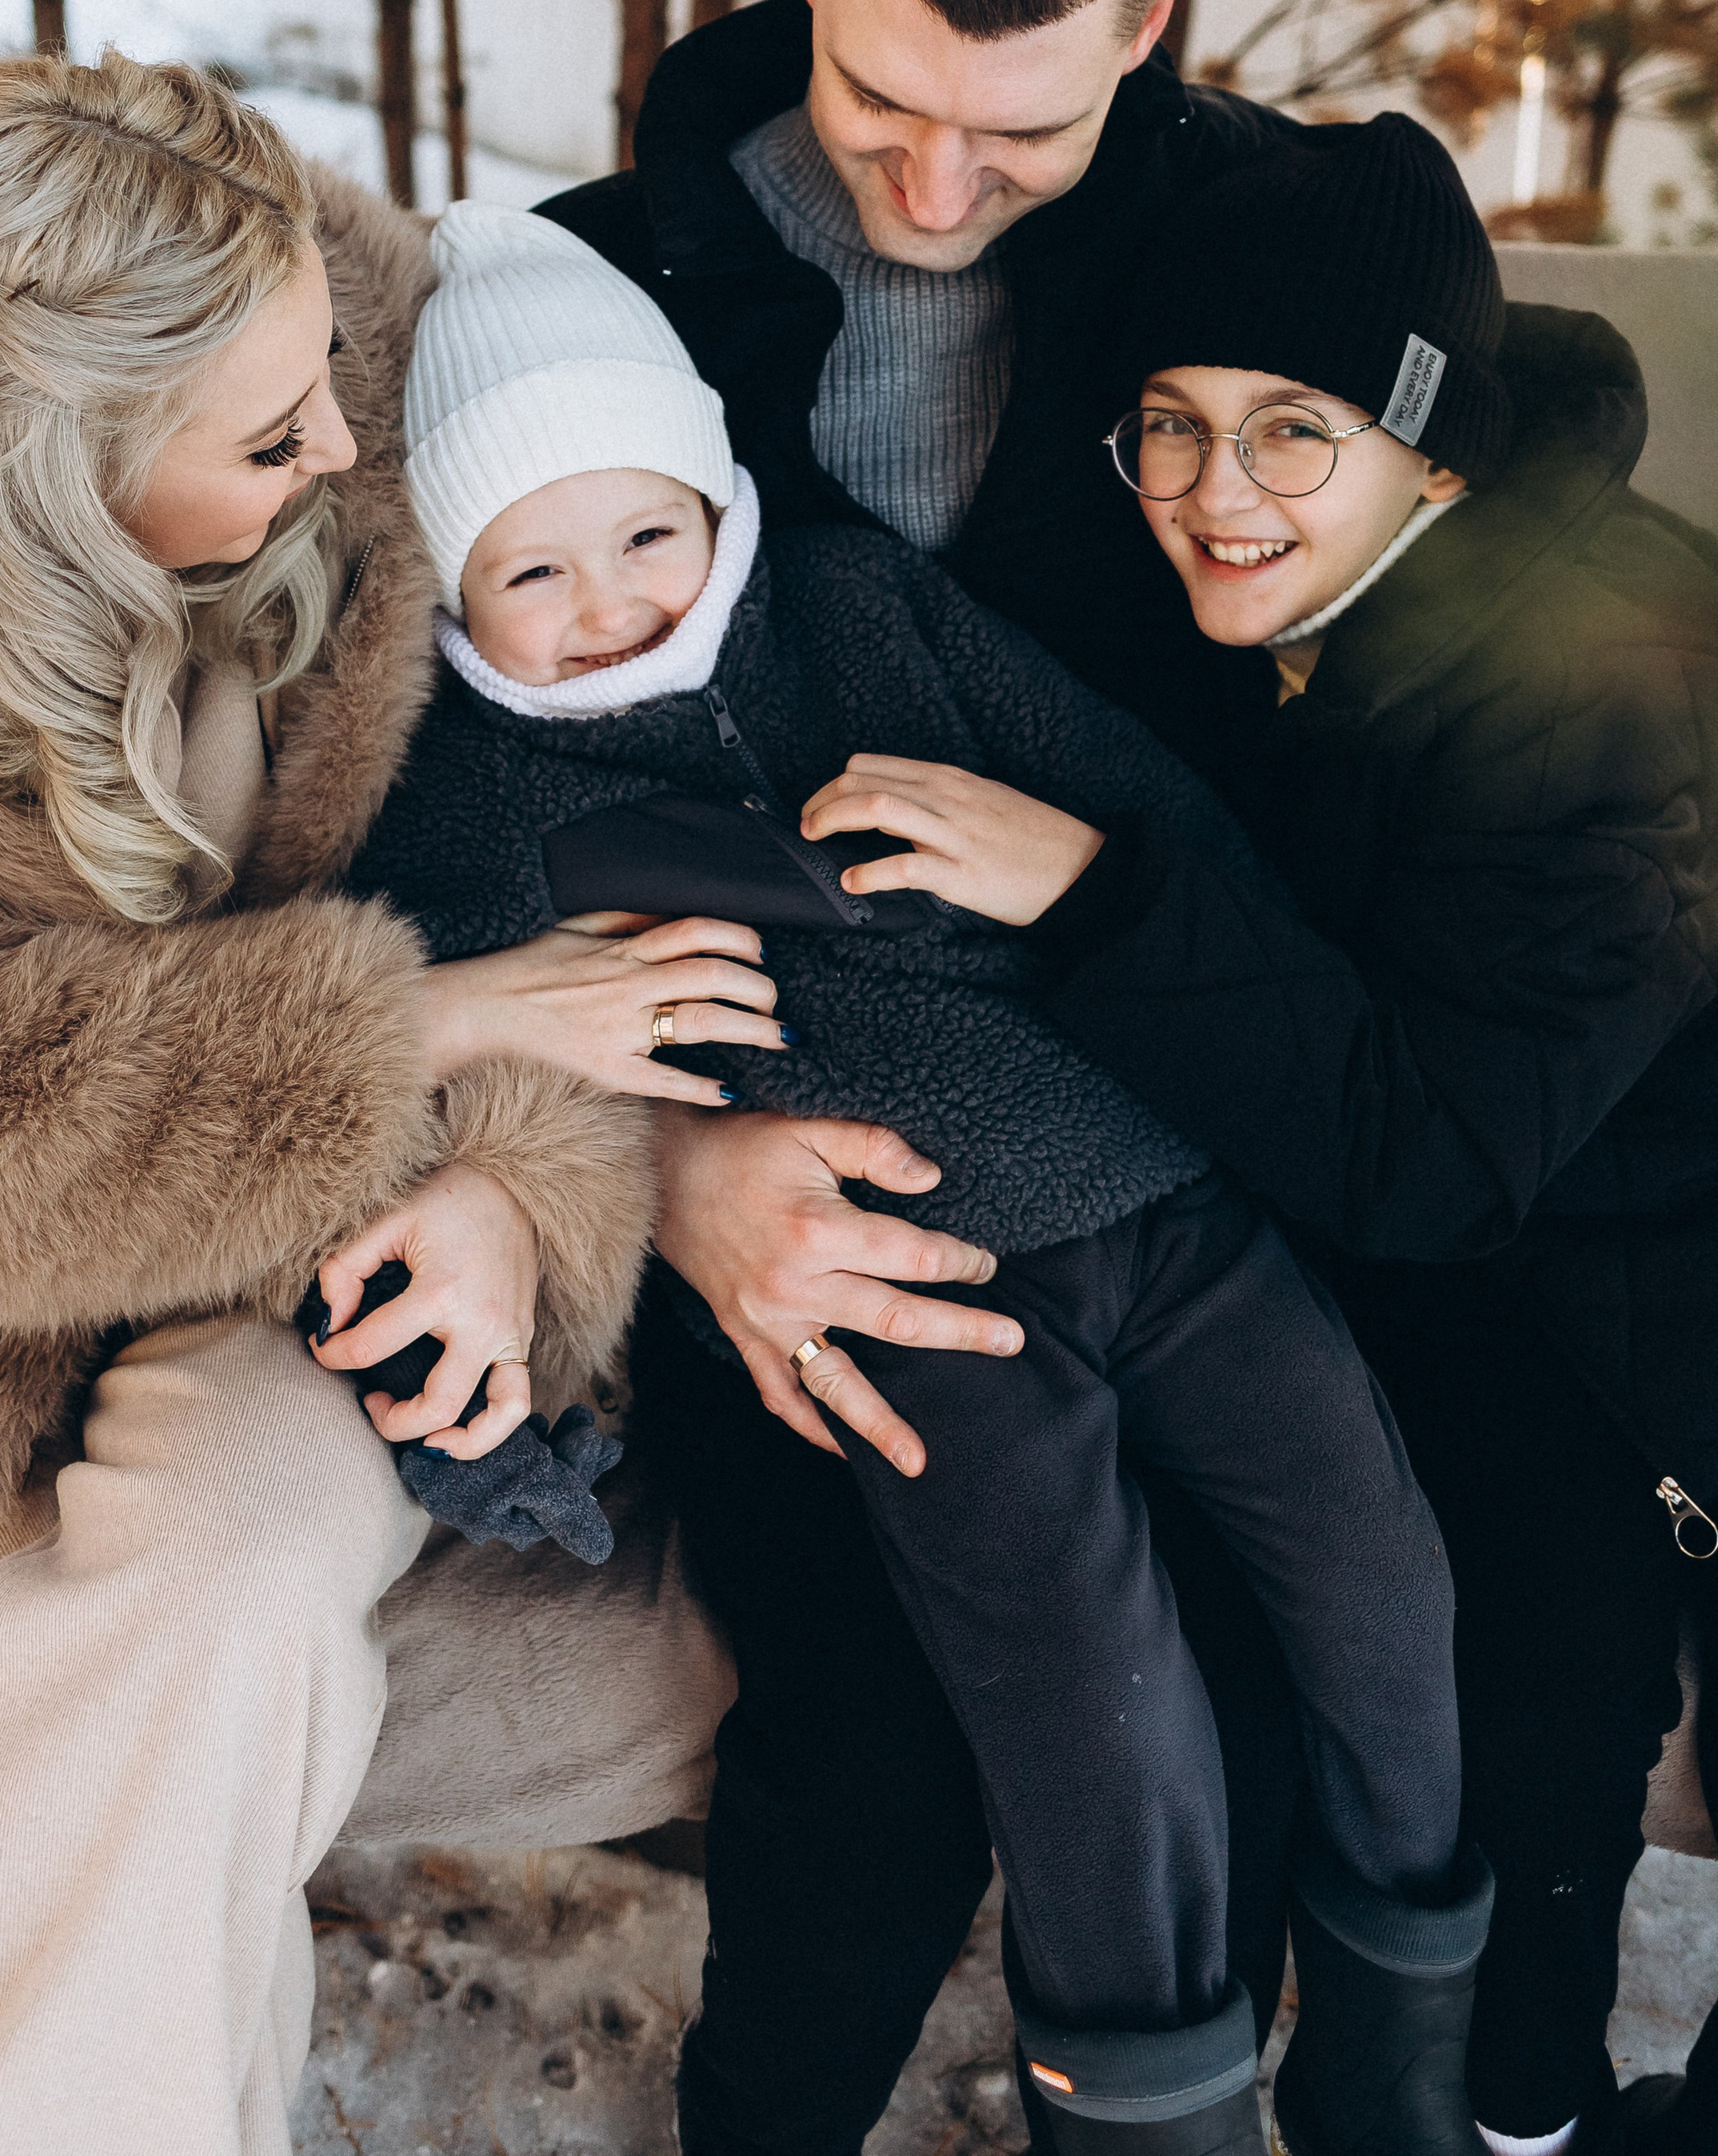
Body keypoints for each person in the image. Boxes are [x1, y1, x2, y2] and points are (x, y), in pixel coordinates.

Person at [0, 52, 807, 2154]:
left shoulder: (339, 357)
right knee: (80, 1751)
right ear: (40, 472)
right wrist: (422, 1034)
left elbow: (512, 882)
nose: (354, 447)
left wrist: (509, 1205)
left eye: (332, 384)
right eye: (276, 437)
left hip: (316, 1233)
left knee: (229, 1598)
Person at [346, 197, 1492, 2155]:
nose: (611, 603)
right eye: (530, 569)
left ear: (715, 494)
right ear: (448, 595)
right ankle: (1147, 2101)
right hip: (896, 1284)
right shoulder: (462, 794)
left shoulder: (856, 614)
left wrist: (1055, 856)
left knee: (1370, 1557)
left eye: (645, 531)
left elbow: (1136, 801)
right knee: (1081, 1668)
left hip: (1153, 1190)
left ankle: (1402, 2026)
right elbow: (439, 1056)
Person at [542, 0, 1309, 2150]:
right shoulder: (582, 309)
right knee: (863, 1752)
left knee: (1267, 1656)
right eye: (886, 112)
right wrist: (663, 1188)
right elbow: (415, 818)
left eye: (1033, 126)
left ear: (1157, 18)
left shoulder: (1269, 284)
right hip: (757, 1115)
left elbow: (1516, 511)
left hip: (1187, 1116)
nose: (947, 190)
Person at [834, 111, 1718, 2154]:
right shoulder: (1295, 584)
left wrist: (1091, 891)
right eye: (1169, 422)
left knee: (1543, 1662)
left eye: (1288, 429)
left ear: (1431, 444)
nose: (1210, 494)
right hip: (1452, 1188)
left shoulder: (1597, 681)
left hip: (1625, 1225)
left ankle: (1511, 2112)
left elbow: (1431, 1156)